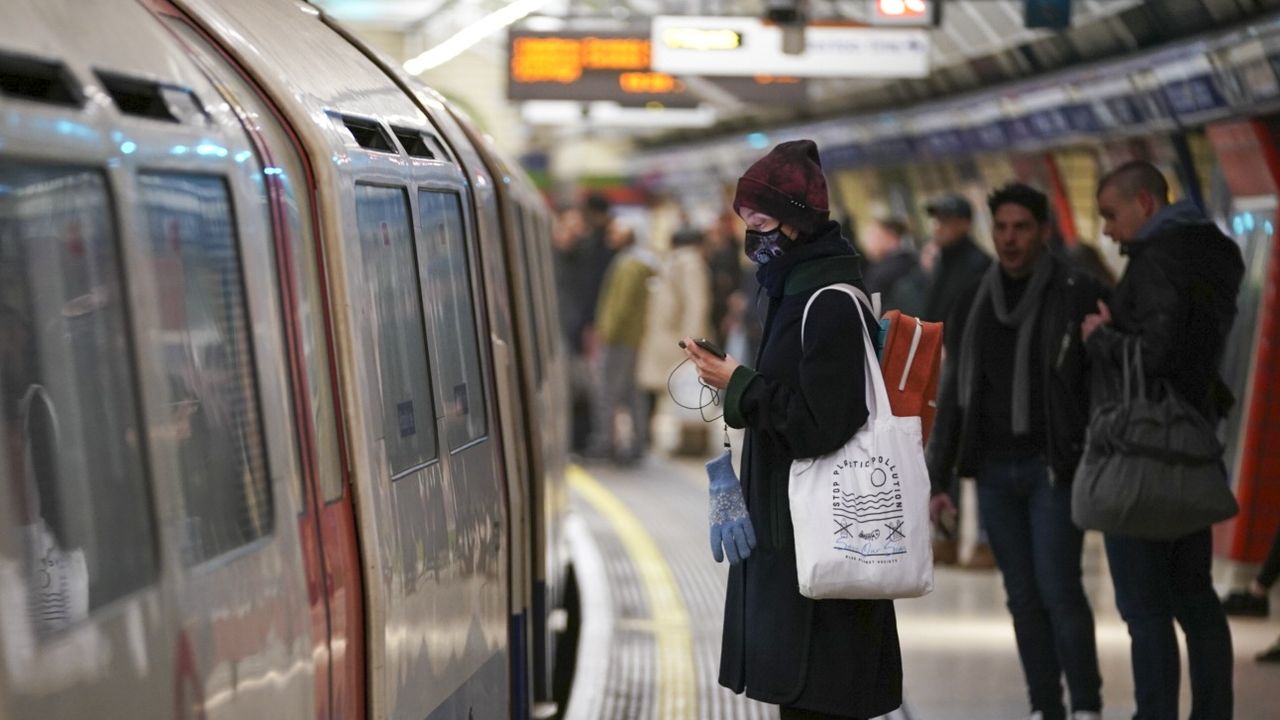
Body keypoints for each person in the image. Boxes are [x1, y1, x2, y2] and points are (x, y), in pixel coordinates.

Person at [682, 139, 902, 720]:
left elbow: (821, 422)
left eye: (761, 219)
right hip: (799, 529)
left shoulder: (827, 301)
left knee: (819, 695)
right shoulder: (793, 291)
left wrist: (742, 385)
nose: (751, 234)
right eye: (746, 220)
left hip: (826, 532)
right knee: (804, 696)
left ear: (798, 220)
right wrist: (734, 382)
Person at [926, 183, 1105, 720]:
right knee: (1022, 599)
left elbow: (1097, 381)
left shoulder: (1074, 292)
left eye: (1021, 227)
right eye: (1001, 227)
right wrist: (939, 479)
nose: (1009, 238)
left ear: (1043, 231)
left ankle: (1088, 706)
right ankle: (1045, 706)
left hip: (1053, 467)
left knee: (1059, 589)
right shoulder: (975, 297)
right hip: (995, 472)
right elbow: (956, 392)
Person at [1083, 160, 1243, 719]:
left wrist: (1103, 336)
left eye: (1110, 214)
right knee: (1195, 597)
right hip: (1193, 444)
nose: (1106, 230)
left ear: (1145, 204)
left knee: (1144, 606)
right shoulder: (1218, 252)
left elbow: (1155, 355)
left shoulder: (1156, 260)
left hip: (1142, 451)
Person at [921, 192, 996, 567]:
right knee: (943, 453)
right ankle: (946, 535)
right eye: (936, 220)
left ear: (965, 224)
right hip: (941, 366)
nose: (939, 227)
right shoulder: (943, 263)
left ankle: (985, 541)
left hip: (972, 370)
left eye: (946, 220)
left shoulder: (979, 265)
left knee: (976, 451)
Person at [636, 225, 713, 455]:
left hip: (667, 337)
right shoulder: (691, 263)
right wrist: (694, 342)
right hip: (678, 339)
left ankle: (688, 443)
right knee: (690, 391)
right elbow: (696, 304)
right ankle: (691, 443)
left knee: (683, 391)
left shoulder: (671, 262)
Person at [586, 228, 656, 463]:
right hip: (631, 337)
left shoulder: (627, 266)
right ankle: (637, 443)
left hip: (619, 338)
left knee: (607, 391)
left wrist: (607, 333)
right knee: (632, 391)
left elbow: (621, 305)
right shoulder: (638, 263)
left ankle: (604, 443)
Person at [861, 217, 922, 315]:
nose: (868, 243)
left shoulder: (882, 272)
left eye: (873, 236)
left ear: (889, 236)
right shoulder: (913, 259)